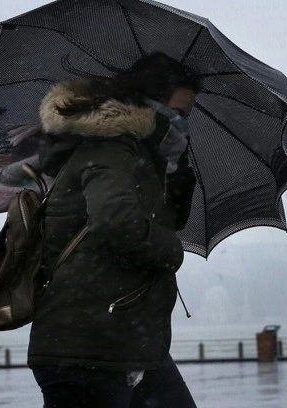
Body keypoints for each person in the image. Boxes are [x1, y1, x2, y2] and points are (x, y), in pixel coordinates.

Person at [28, 52, 199, 407]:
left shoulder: (142, 158)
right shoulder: (110, 148)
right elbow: (115, 220)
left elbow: (167, 219)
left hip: (125, 343)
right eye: (178, 115)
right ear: (148, 105)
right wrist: (173, 250)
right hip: (89, 346)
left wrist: (177, 167)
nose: (182, 125)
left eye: (187, 117)